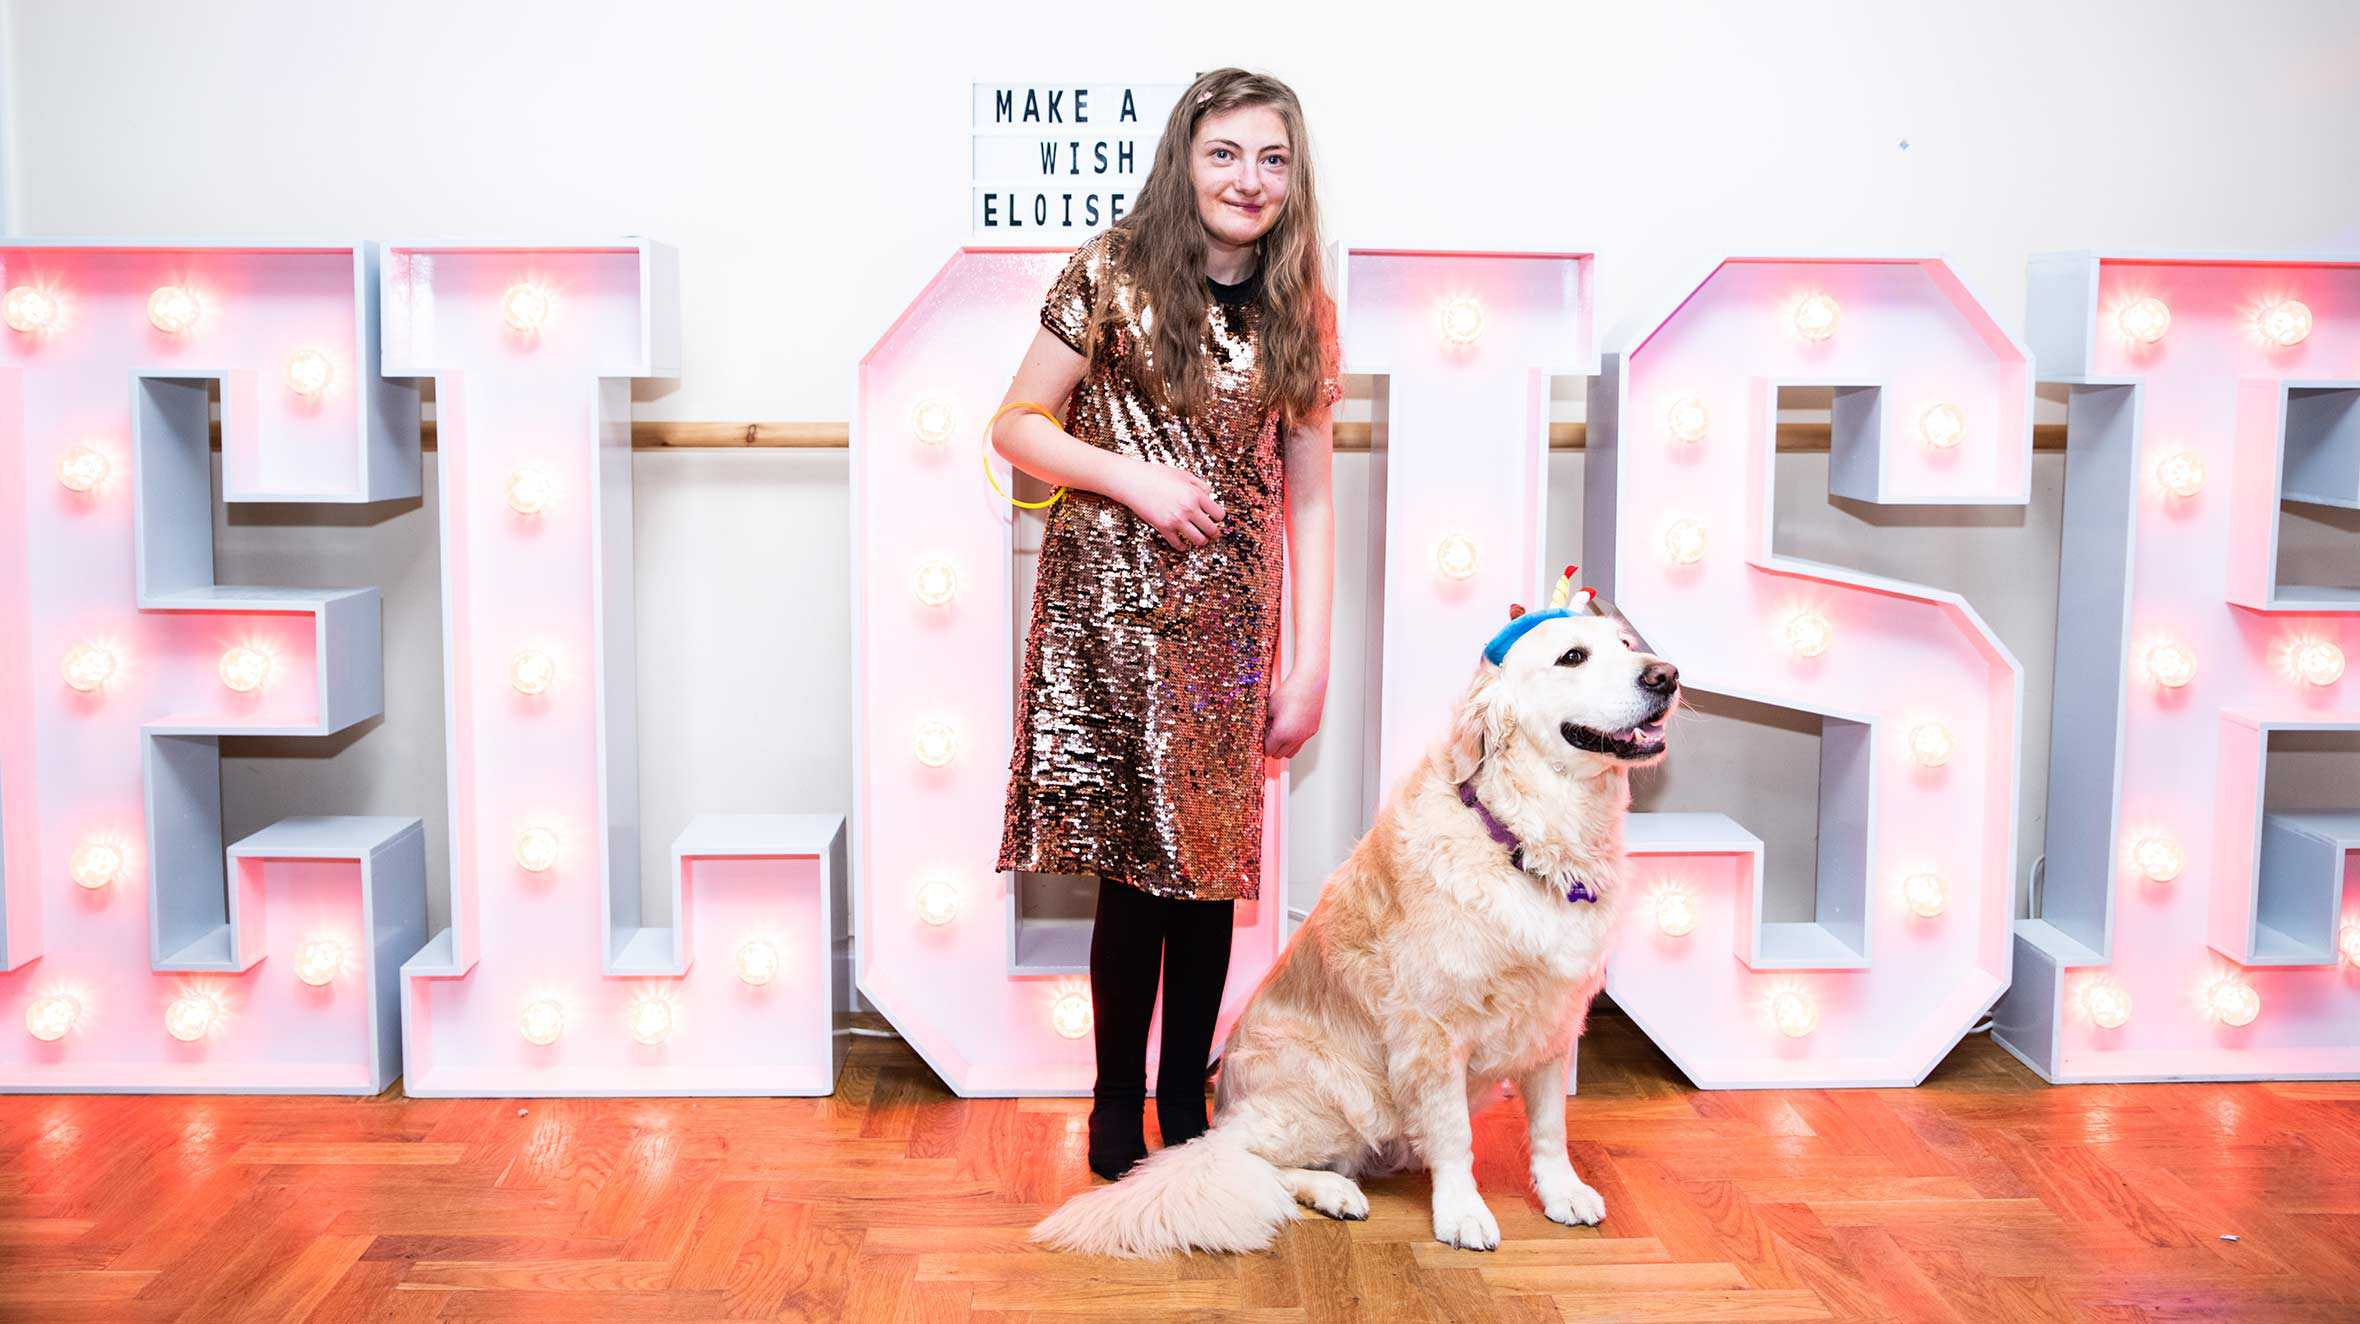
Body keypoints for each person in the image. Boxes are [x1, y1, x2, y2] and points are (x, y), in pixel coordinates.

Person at [990, 67, 1339, 1181]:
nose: (1249, 178)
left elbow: (1311, 495)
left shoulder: (1302, 310)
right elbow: (1014, 424)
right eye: (1226, 152)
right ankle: (1109, 1105)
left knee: (1205, 875)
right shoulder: (1105, 273)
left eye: (1271, 158)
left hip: (1230, 633)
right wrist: (1130, 477)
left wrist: (1310, 659)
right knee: (1131, 875)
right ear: (1184, 159)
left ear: (1293, 177)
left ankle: (1181, 1110)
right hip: (1105, 613)